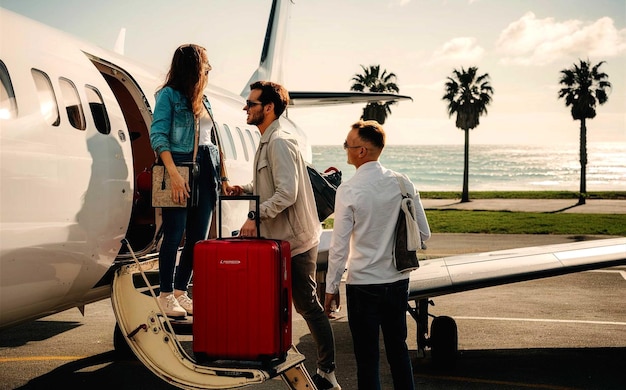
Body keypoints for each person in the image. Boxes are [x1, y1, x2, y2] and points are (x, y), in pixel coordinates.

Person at [225, 81, 340, 390]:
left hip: (297, 240)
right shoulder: (267, 141)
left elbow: (287, 194)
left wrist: (254, 216)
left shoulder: (279, 141)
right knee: (274, 302)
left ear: (269, 108)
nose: (246, 108)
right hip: (277, 241)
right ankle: (276, 356)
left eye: (251, 104)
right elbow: (271, 187)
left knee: (307, 305)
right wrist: (243, 190)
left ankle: (327, 371)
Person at [324, 120, 431, 390]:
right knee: (398, 350)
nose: (345, 149)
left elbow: (339, 246)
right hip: (397, 281)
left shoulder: (348, 190)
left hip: (363, 285)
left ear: (362, 151)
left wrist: (331, 286)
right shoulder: (402, 182)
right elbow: (424, 233)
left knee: (368, 359)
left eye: (347, 144)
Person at [150, 44, 220, 317]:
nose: (209, 68)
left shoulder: (206, 100)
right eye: (205, 63)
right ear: (193, 66)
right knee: (174, 232)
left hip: (207, 167)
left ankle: (181, 290)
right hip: (177, 164)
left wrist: (220, 176)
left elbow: (211, 141)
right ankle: (165, 293)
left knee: (198, 238)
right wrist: (174, 175)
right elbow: (158, 136)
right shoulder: (168, 96)